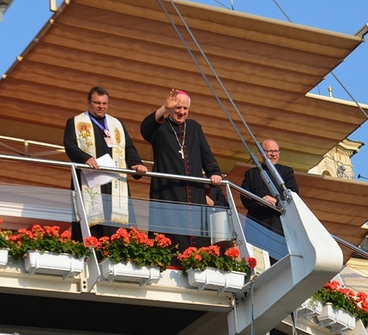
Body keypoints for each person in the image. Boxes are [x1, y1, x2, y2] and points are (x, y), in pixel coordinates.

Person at [140, 88, 222, 255]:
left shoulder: (194, 127)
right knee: (170, 235)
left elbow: (205, 153)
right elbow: (145, 129)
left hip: (194, 190)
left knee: (197, 234)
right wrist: (164, 107)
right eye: (178, 108)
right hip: (168, 191)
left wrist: (214, 172)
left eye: (185, 108)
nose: (181, 112)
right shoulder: (161, 127)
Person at [63, 86, 147, 240]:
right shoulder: (75, 122)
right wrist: (85, 158)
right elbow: (69, 145)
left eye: (104, 103)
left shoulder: (116, 124)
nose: (101, 106)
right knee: (93, 223)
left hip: (114, 182)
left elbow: (128, 147)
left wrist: (136, 163)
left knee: (116, 223)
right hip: (90, 180)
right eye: (97, 103)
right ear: (89, 103)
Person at [240, 139, 299, 235]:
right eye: (270, 151)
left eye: (276, 151)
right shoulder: (251, 174)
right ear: (260, 153)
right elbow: (245, 197)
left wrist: (277, 201)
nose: (273, 154)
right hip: (257, 222)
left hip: (279, 222)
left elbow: (293, 194)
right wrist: (261, 200)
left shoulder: (287, 172)